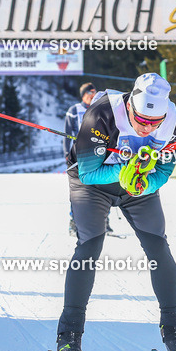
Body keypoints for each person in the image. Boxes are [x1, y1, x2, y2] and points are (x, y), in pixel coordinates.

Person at [57, 73, 176, 351]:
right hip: (92, 184)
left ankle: (175, 331)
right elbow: (88, 173)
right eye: (140, 119)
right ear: (130, 105)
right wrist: (126, 170)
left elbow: (163, 174)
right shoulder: (101, 114)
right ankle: (69, 334)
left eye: (153, 123)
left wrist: (143, 182)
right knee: (89, 246)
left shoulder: (173, 123)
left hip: (137, 187)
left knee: (158, 247)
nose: (146, 128)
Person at [64, 83, 111, 237]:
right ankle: (75, 222)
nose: (93, 95)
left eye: (94, 92)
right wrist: (66, 152)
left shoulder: (101, 108)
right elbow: (66, 133)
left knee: (104, 186)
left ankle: (104, 221)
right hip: (80, 154)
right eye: (89, 93)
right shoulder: (74, 110)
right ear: (83, 95)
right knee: (79, 190)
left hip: (100, 153)